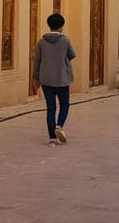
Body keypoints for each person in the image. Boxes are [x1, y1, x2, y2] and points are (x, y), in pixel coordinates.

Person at [33, 13, 76, 146]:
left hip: (46, 80)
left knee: (50, 108)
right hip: (62, 79)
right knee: (64, 105)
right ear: (61, 26)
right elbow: (72, 55)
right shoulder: (65, 41)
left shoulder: (41, 42)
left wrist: (35, 78)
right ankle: (59, 126)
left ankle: (52, 138)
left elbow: (36, 61)